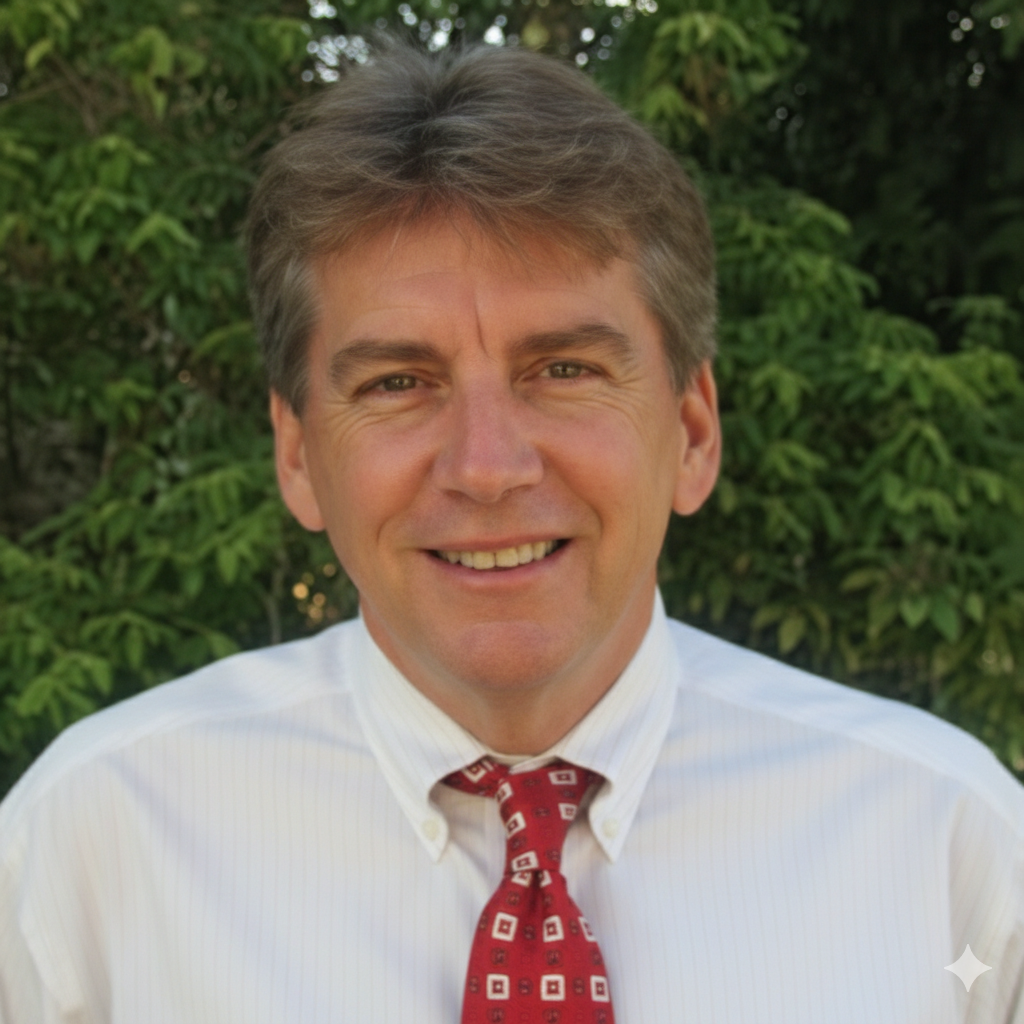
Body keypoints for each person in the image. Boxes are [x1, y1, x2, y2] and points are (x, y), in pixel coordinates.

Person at [1, 38, 1022, 1024]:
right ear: (298, 455)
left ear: (691, 431)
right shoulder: (91, 849)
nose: (487, 466)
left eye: (564, 370)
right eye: (398, 383)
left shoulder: (948, 848)